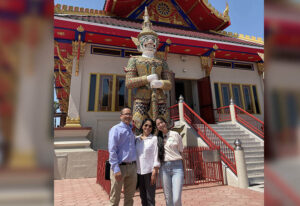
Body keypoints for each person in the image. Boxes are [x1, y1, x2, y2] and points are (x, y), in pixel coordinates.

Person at [125, 7, 172, 131]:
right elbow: (129, 83)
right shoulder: (134, 60)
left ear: (156, 43)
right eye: (146, 40)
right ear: (139, 44)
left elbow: (169, 84)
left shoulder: (162, 62)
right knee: (140, 122)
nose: (150, 42)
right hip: (141, 97)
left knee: (163, 123)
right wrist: (147, 78)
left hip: (160, 97)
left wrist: (160, 83)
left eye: (153, 40)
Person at [108, 107, 137, 206]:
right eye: (126, 114)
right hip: (120, 167)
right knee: (115, 197)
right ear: (121, 116)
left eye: (130, 114)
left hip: (132, 167)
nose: (128, 116)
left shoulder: (131, 130)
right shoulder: (115, 129)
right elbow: (112, 150)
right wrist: (116, 168)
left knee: (129, 198)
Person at [155, 117, 184, 206]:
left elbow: (181, 152)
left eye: (161, 122)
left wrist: (184, 168)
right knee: (168, 197)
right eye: (158, 124)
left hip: (177, 167)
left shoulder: (175, 134)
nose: (160, 125)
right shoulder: (157, 139)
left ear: (165, 123)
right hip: (164, 168)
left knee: (176, 198)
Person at [135, 118, 160, 206]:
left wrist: (154, 171)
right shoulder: (137, 139)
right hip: (138, 172)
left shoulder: (154, 139)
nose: (148, 127)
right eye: (146, 125)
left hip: (149, 171)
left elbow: (156, 155)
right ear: (142, 126)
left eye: (150, 126)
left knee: (150, 198)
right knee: (142, 197)